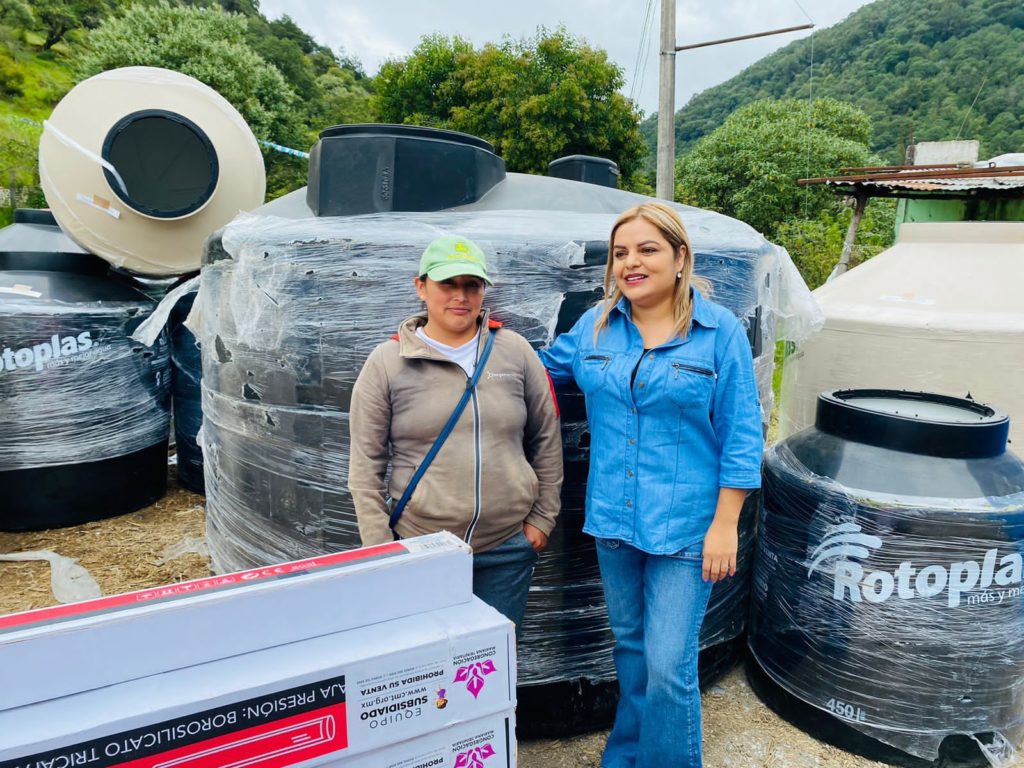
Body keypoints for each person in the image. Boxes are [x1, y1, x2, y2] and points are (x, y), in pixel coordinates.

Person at [539, 202, 763, 767]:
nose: (630, 263)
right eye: (621, 253)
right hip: (615, 518)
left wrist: (726, 525)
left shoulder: (717, 332)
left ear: (680, 257)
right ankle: (625, 756)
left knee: (668, 665)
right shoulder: (595, 326)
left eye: (647, 250)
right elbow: (536, 371)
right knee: (632, 651)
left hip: (687, 528)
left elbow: (742, 433)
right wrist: (469, 341)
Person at [348, 234, 563, 632]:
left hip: (505, 548)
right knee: (426, 659)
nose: (460, 296)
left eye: (472, 285)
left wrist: (542, 519)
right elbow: (365, 465)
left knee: (491, 661)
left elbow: (546, 437)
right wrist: (381, 549)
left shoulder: (514, 351)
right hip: (421, 548)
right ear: (421, 287)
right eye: (447, 283)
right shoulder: (388, 362)